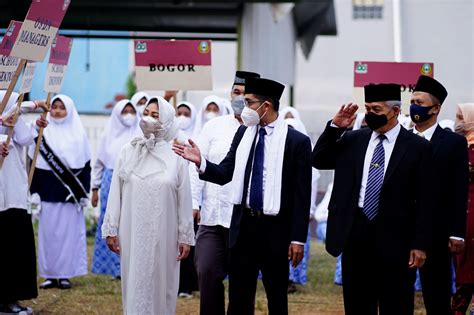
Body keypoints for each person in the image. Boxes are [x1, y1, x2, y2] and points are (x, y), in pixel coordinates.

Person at [173, 77, 312, 315]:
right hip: (244, 225)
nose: (244, 107)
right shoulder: (243, 134)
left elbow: (302, 194)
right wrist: (202, 162)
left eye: (249, 102)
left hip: (276, 227)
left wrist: (298, 238)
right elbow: (226, 171)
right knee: (239, 296)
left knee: (276, 295)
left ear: (266, 105)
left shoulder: (296, 141)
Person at [312, 83, 433, 315]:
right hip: (355, 233)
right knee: (357, 303)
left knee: (396, 304)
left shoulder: (418, 148)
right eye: (367, 108)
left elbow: (426, 199)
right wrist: (336, 126)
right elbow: (319, 159)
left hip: (396, 238)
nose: (370, 114)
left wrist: (420, 244)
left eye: (376, 110)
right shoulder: (353, 140)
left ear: (396, 111)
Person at [102, 96, 195, 314]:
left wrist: (185, 235)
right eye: (146, 113)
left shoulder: (177, 155)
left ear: (168, 122)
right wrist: (111, 227)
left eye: (156, 115)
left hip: (166, 231)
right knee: (134, 279)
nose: (148, 119)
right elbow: (116, 192)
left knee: (163, 282)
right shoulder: (128, 151)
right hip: (132, 230)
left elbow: (184, 198)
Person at [191, 70, 260, 314]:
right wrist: (194, 203)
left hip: (245, 222)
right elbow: (197, 164)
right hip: (212, 217)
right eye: (235, 93)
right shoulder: (214, 126)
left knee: (242, 285)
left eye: (245, 95)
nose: (239, 99)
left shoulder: (263, 131)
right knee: (207, 272)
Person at [409, 75, 469, 315]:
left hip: (438, 230)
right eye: (412, 100)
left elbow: (459, 188)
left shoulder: (453, 143)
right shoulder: (401, 137)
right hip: (403, 228)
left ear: (435, 108)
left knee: (436, 292)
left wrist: (457, 232)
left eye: (420, 102)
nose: (414, 106)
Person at [29, 95, 92, 290]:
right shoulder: (42, 134)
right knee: (48, 236)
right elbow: (33, 165)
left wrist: (83, 194)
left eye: (61, 108)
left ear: (69, 110)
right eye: (54, 107)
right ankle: (49, 275)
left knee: (68, 236)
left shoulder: (79, 135)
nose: (56, 111)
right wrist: (34, 192)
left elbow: (86, 166)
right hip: (47, 192)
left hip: (70, 196)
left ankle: (65, 275)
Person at [0, 91, 48, 314]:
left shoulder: (13, 118)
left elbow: (25, 139)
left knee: (15, 247)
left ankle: (11, 298)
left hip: (14, 192)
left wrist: (35, 125)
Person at [91, 99, 141, 279]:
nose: (129, 115)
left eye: (132, 111)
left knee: (132, 221)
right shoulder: (108, 135)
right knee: (112, 221)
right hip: (110, 180)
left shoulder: (141, 133)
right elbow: (98, 164)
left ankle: (131, 265)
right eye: (124, 111)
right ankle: (113, 268)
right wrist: (95, 188)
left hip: (135, 181)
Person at [284, 114, 320, 293]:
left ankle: (292, 278)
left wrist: (310, 210)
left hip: (299, 212)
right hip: (280, 212)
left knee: (296, 246)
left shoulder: (305, 153)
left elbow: (310, 187)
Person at [452, 103, 474, 315]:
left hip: (469, 218)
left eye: (461, 117)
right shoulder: (460, 145)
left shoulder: (468, 150)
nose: (458, 121)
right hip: (460, 216)